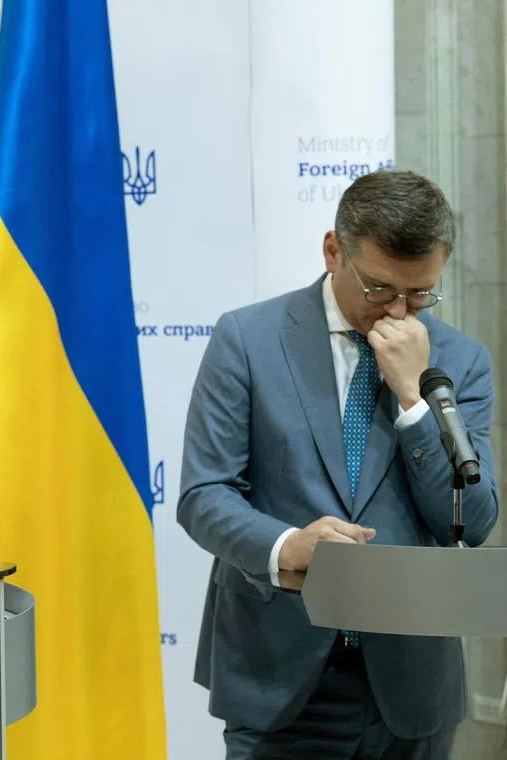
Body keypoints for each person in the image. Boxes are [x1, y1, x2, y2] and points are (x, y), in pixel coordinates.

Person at [177, 169, 498, 759]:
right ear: (333, 251)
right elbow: (204, 493)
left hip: (411, 688)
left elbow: (472, 519)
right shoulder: (247, 339)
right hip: (279, 676)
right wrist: (287, 546)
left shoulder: (459, 361)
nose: (400, 312)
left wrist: (413, 399)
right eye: (380, 289)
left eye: (421, 293)